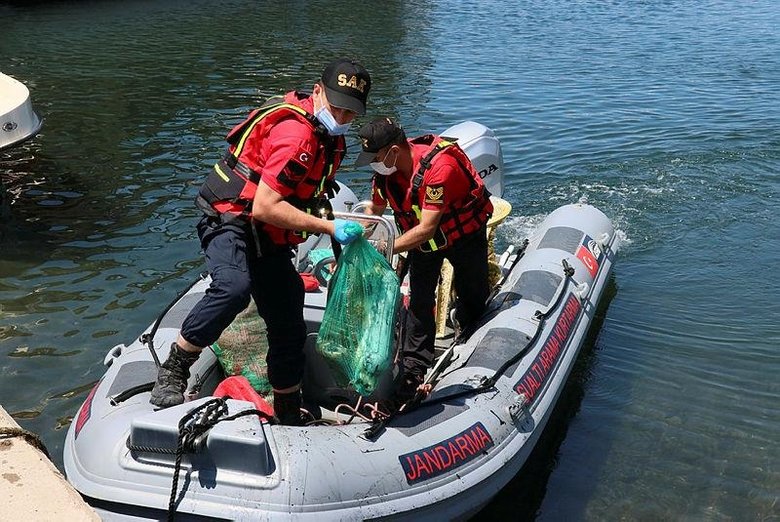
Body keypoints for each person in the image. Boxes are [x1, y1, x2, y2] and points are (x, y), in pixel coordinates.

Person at [150, 59, 371, 425]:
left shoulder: (329, 139)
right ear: (317, 92)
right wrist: (330, 229)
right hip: (230, 220)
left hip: (266, 234)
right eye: (337, 108)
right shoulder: (297, 135)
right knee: (233, 287)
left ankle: (287, 408)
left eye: (351, 112)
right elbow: (267, 205)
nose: (343, 118)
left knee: (288, 318)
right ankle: (174, 368)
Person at [355, 117, 493, 407]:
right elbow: (376, 211)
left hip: (462, 236)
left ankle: (467, 328)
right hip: (423, 245)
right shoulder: (385, 175)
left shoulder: (439, 170)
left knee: (474, 294)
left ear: (394, 150)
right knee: (418, 301)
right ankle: (414, 370)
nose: (373, 164)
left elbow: (427, 227)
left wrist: (385, 248)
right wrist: (357, 238)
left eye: (376, 157)